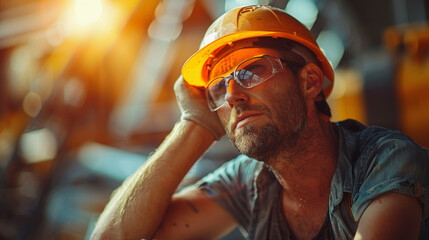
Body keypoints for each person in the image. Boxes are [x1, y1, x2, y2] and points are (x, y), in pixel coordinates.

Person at [90, 5, 429, 240]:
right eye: (219, 88)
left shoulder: (385, 161)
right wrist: (194, 124)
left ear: (310, 82)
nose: (232, 95)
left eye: (251, 71)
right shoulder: (249, 182)